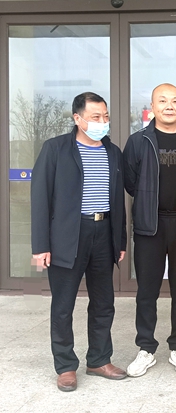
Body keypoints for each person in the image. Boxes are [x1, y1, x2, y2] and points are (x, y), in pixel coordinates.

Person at [31, 92, 127, 392]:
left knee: (104, 303)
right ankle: (65, 366)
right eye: (95, 117)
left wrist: (120, 240)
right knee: (63, 306)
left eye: (105, 117)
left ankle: (99, 359)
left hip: (103, 232)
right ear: (77, 118)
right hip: (67, 236)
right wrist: (40, 246)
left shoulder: (113, 152)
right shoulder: (56, 149)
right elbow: (40, 198)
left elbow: (118, 200)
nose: (102, 122)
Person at [123, 83, 176, 377]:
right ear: (153, 106)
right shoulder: (138, 141)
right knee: (147, 290)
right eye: (163, 101)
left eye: (175, 101)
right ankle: (146, 348)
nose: (169, 106)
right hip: (150, 224)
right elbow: (130, 182)